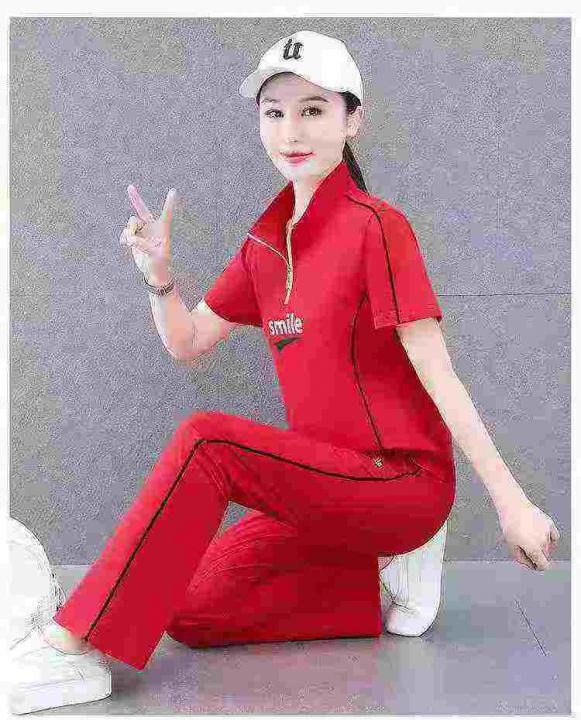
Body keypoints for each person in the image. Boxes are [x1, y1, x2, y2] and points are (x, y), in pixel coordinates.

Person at [11, 29, 560, 714]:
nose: (291, 132)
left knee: (209, 440)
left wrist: (510, 503)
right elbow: (187, 342)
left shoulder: (377, 226)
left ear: (352, 121)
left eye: (313, 110)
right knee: (186, 610)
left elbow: (438, 371)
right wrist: (159, 278)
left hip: (400, 482)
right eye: (274, 113)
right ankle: (379, 578)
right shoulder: (266, 245)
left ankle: (72, 649)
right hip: (324, 489)